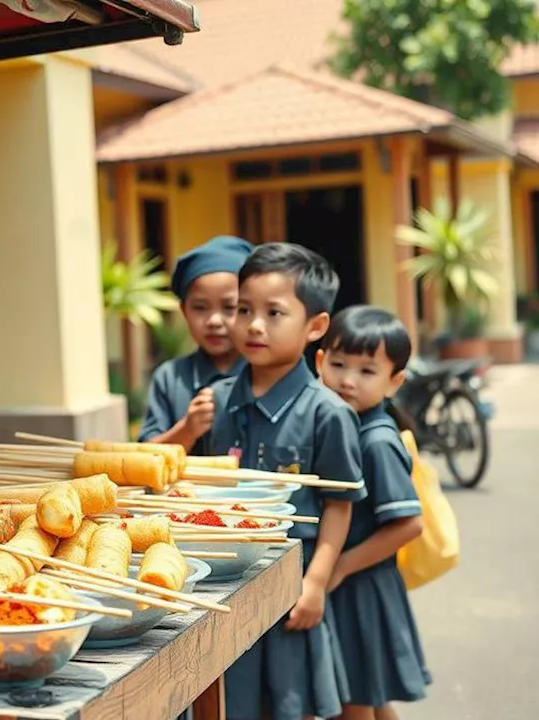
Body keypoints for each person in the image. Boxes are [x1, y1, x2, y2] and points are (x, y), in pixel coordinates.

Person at [207, 243, 368, 720]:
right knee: (228, 702)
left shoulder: (328, 413)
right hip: (224, 586)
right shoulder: (215, 402)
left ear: (315, 327)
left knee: (290, 704)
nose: (253, 325)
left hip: (291, 587)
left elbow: (339, 504)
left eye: (274, 312)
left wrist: (316, 582)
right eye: (244, 310)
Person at [315, 306, 431, 719]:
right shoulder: (345, 424)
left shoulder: (375, 440)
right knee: (372, 698)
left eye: (367, 371)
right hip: (359, 583)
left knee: (354, 702)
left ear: (394, 381)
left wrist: (341, 566)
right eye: (339, 364)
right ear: (320, 361)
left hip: (360, 585)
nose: (348, 379)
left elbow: (408, 525)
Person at [139, 235, 253, 454]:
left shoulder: (266, 374)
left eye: (230, 307)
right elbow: (145, 457)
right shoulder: (170, 378)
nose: (214, 321)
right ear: (184, 311)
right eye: (200, 307)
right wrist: (187, 430)